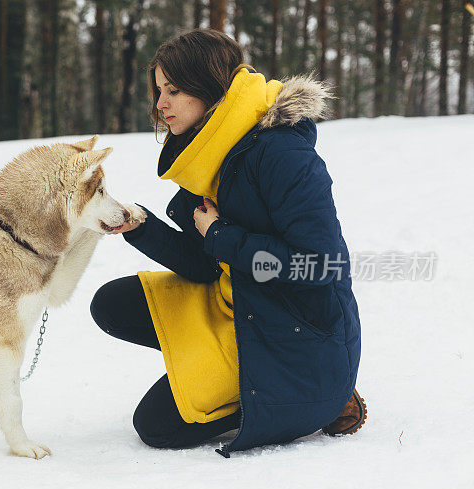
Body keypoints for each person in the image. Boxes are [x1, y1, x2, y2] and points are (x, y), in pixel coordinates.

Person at [90, 29, 365, 458]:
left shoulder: (285, 157)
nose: (161, 104)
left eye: (174, 90)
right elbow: (205, 266)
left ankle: (308, 401)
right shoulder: (211, 153)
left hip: (297, 340)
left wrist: (222, 235)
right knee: (112, 303)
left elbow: (319, 268)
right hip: (242, 306)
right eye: (160, 90)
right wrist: (141, 227)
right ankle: (238, 378)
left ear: (210, 88)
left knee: (155, 426)